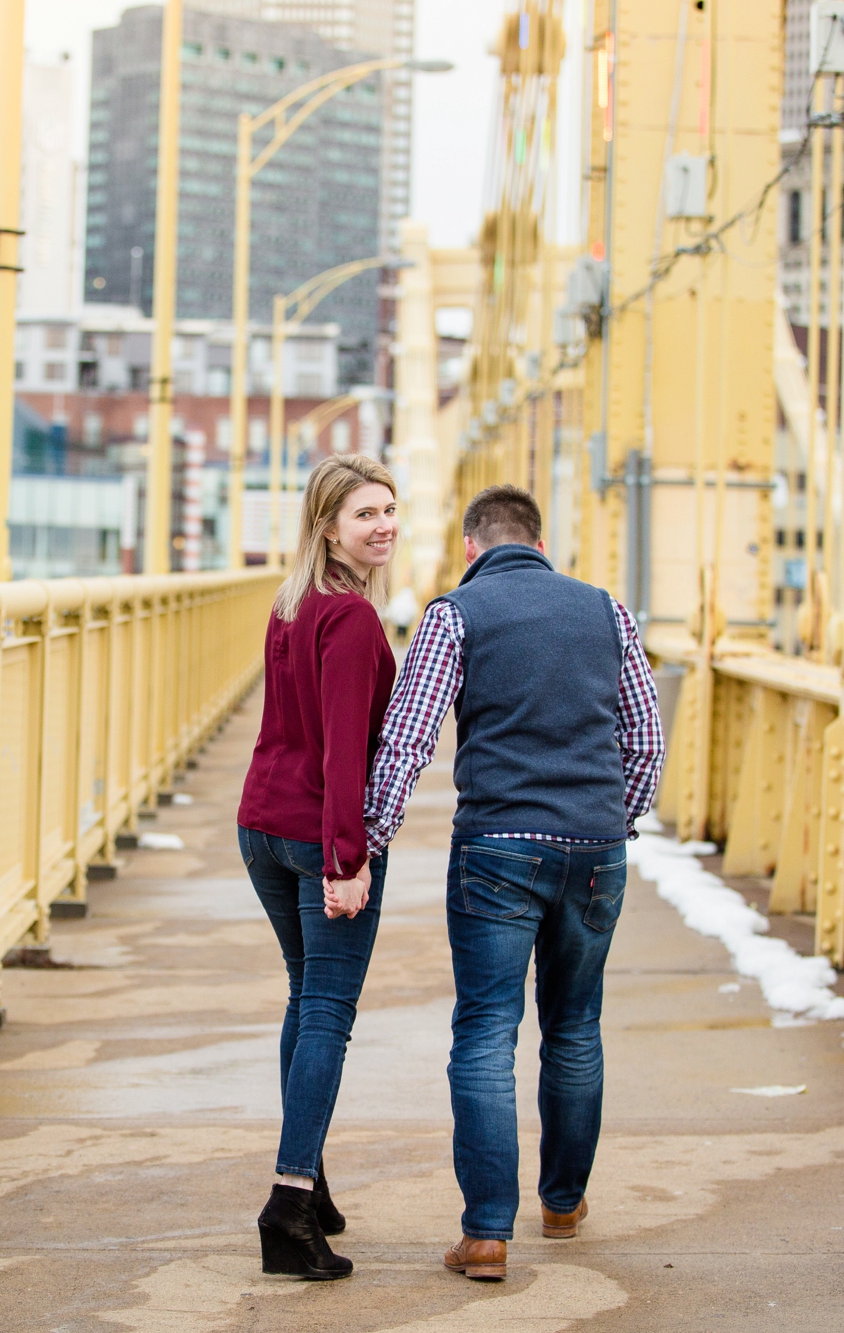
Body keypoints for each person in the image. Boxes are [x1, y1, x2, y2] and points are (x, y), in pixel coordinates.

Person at [363, 484, 664, 1282]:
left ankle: (488, 1232)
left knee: (487, 1034)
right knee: (575, 1027)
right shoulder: (609, 612)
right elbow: (647, 740)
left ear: (471, 548)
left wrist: (368, 841)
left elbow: (409, 736)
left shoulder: (455, 613)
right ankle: (563, 1203)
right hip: (596, 849)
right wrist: (613, 822)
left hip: (497, 846)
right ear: (540, 541)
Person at [235, 454, 400, 1281]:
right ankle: (289, 1203)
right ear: (328, 525)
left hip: (261, 825)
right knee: (330, 1009)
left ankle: (314, 1173)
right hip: (314, 836)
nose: (384, 526)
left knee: (306, 999)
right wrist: (347, 859)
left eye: (390, 510)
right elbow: (344, 751)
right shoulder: (353, 622)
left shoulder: (291, 603)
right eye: (366, 513)